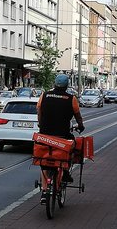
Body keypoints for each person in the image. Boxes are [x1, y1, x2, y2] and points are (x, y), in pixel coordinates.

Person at [36, 74, 85, 204]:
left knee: (44, 162)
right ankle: (65, 171)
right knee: (71, 148)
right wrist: (80, 126)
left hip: (45, 136)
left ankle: (45, 191)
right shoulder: (71, 98)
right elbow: (77, 115)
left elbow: (39, 111)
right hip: (63, 135)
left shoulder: (44, 95)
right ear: (67, 85)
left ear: (54, 84)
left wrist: (41, 124)